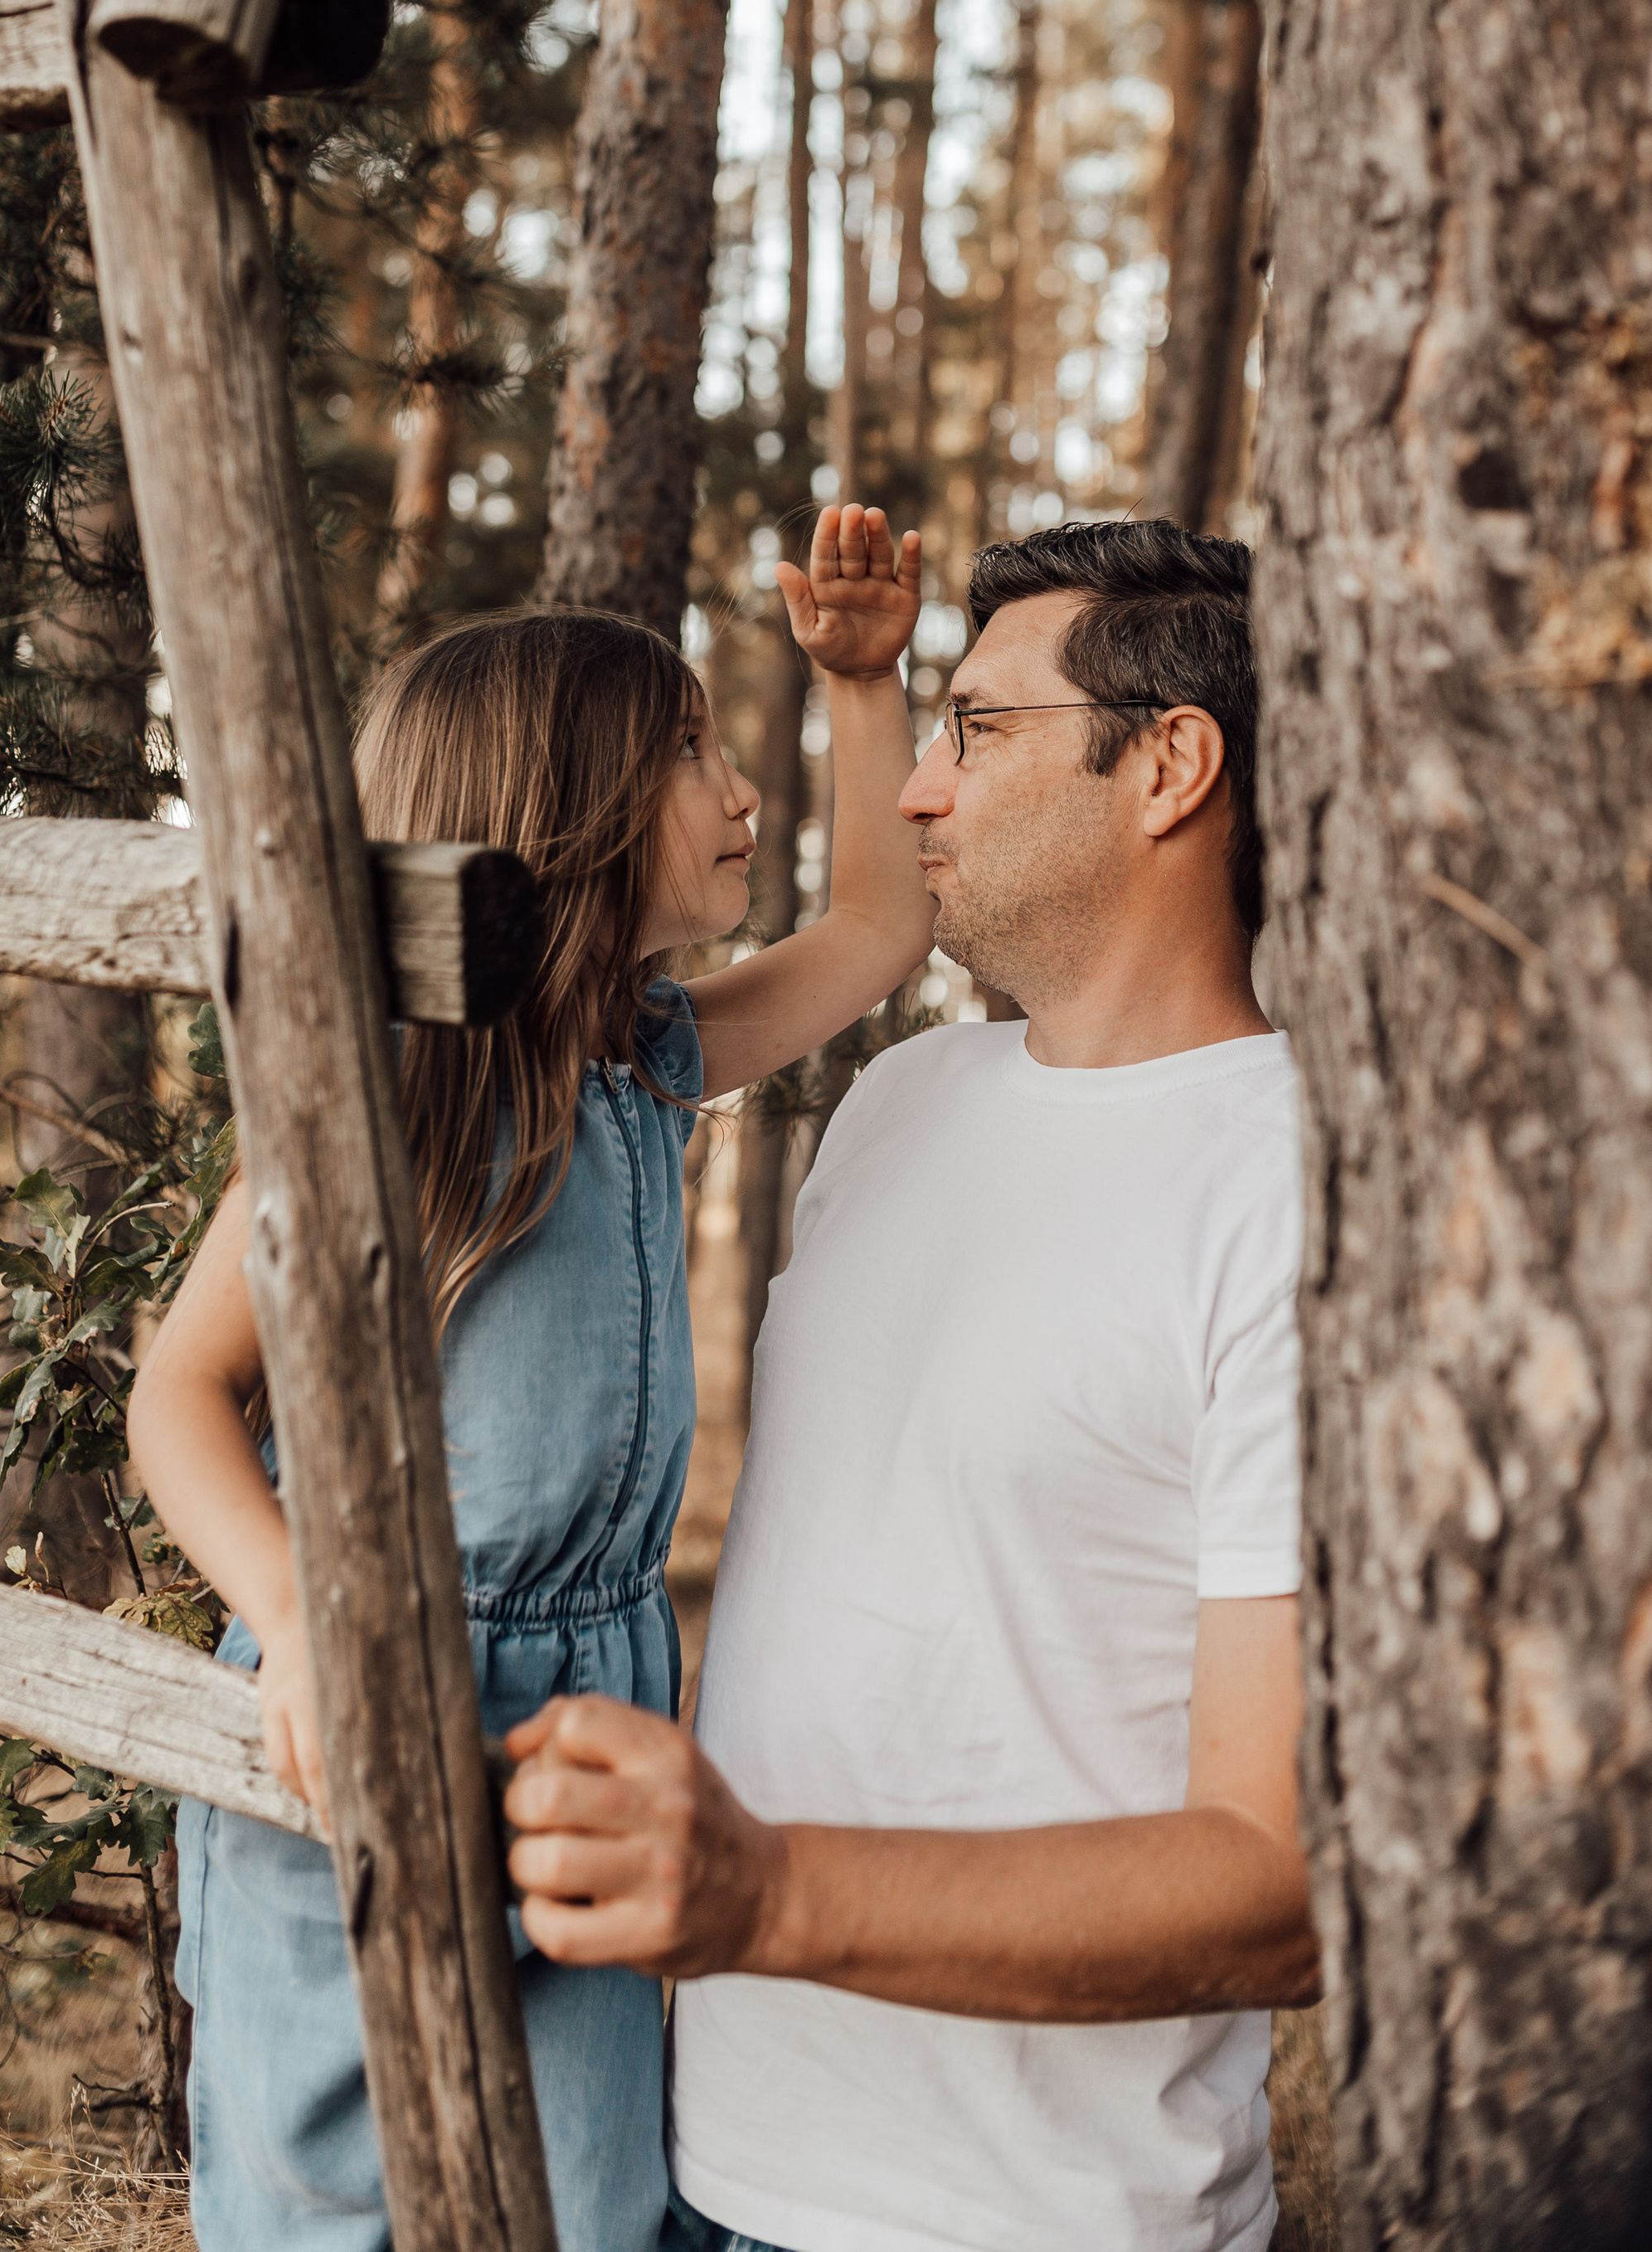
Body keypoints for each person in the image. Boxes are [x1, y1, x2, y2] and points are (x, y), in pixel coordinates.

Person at [501, 518, 1319, 2252]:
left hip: (1033, 2222)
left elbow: (1282, 1881)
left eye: (977, 730)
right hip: (693, 2164)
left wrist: (767, 1895)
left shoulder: (1303, 1195)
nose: (919, 792)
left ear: (1169, 766)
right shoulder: (898, 1104)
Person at [126, 508, 937, 2252]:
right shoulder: (398, 1092)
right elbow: (176, 1393)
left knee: (588, 2207)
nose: (741, 792)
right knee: (324, 2209)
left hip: (595, 1742)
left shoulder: (650, 1061)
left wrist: (863, 686)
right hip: (371, 1715)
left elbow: (879, 925)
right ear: (563, 807)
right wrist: (308, 1621)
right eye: (693, 752)